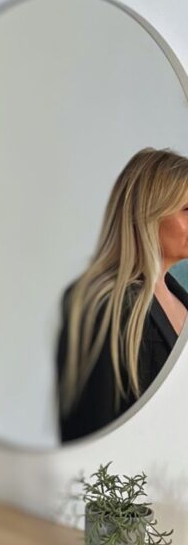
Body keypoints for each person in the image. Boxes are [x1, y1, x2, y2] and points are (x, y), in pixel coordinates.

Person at [56, 147, 188, 442]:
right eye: (187, 209)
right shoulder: (104, 305)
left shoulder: (181, 300)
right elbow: (90, 437)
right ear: (148, 212)